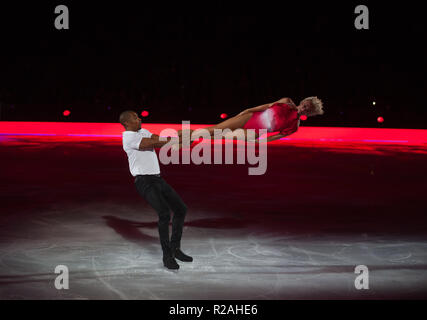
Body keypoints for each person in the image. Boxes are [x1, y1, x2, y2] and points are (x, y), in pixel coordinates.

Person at [120, 110, 192, 270]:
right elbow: (152, 143)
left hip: (157, 179)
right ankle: (167, 256)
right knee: (164, 213)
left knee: (181, 209)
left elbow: (159, 140)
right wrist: (176, 139)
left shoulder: (143, 132)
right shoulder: (128, 138)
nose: (139, 118)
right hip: (144, 181)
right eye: (135, 117)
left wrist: (183, 141)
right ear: (126, 123)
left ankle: (175, 249)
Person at [178, 96, 324, 143]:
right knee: (215, 129)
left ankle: (186, 137)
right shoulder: (286, 101)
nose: (304, 108)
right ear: (303, 102)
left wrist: (260, 141)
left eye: (308, 109)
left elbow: (276, 136)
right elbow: (266, 105)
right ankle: (185, 136)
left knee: (220, 135)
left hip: (254, 133)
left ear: (309, 113)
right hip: (250, 117)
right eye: (305, 105)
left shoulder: (294, 126)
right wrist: (248, 110)